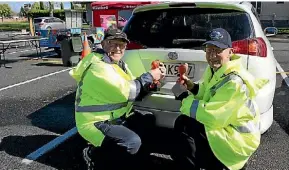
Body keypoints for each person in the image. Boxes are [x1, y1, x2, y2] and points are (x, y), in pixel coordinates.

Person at [171, 28, 269, 170]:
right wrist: (192, 87)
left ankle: (213, 163)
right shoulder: (215, 70)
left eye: (218, 50)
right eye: (209, 50)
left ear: (230, 52)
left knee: (185, 124)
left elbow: (212, 115)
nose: (212, 56)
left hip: (238, 140)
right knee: (185, 123)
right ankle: (210, 162)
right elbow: (207, 93)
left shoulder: (234, 81)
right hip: (227, 129)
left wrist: (183, 97)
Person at [69, 29, 166, 169]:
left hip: (115, 117)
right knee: (131, 141)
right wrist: (150, 76)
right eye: (112, 43)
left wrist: (151, 85)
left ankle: (137, 160)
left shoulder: (118, 64)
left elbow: (133, 89)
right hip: (95, 122)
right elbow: (128, 91)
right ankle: (95, 155)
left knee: (147, 121)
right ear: (102, 44)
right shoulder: (98, 66)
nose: (118, 48)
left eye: (122, 45)